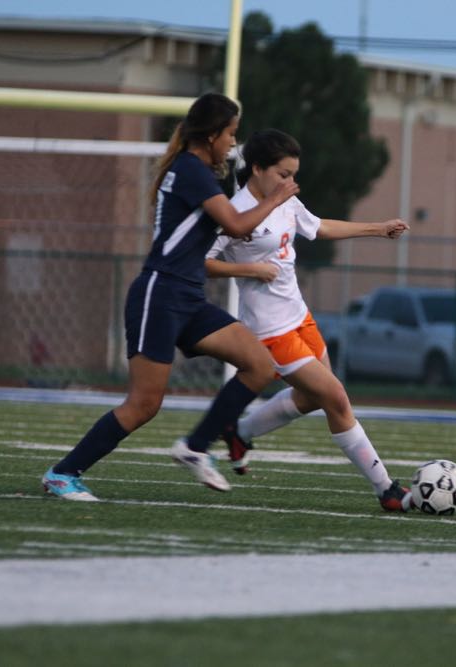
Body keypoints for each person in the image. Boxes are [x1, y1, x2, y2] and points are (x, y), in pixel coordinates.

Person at [41, 93, 299, 501]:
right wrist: (275, 198)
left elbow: (230, 226)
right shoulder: (191, 169)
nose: (233, 143)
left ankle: (196, 446)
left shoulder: (202, 174)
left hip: (188, 296)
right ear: (211, 133)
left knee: (260, 366)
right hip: (159, 294)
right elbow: (234, 225)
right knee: (144, 403)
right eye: (230, 134)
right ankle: (62, 473)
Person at [204, 128, 413, 512]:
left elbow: (318, 227)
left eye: (293, 174)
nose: (290, 182)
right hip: (269, 329)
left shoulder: (284, 200)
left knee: (311, 398)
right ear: (257, 168)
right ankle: (387, 489)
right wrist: (250, 269)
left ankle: (241, 432)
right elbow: (202, 262)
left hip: (299, 315)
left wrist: (377, 229)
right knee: (335, 397)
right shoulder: (234, 210)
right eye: (283, 174)